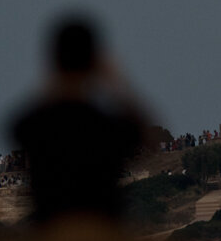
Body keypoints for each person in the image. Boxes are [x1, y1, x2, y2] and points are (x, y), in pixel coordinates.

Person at [8, 15, 146, 226]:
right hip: (101, 237)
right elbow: (142, 133)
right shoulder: (108, 127)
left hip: (51, 239)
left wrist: (55, 79)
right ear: (93, 62)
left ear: (55, 61)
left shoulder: (35, 125)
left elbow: (15, 125)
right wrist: (118, 83)